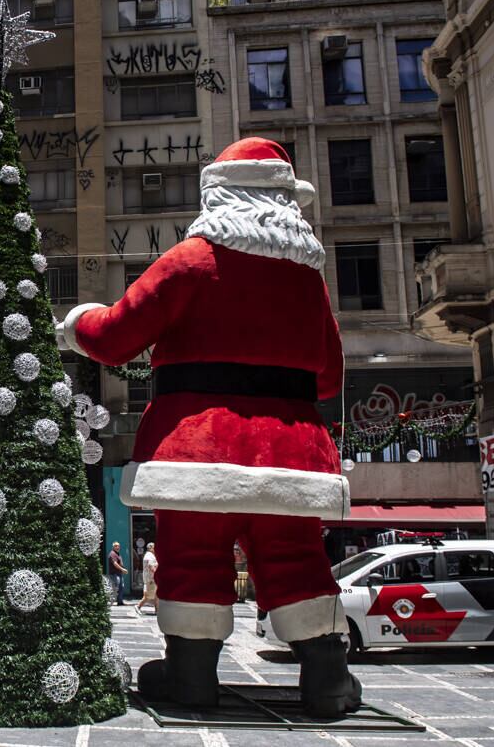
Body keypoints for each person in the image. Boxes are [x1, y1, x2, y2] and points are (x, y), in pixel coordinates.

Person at [58, 137, 360, 716]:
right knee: (297, 558)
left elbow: (116, 337)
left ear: (220, 196)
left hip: (195, 447)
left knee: (192, 555)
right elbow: (328, 377)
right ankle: (326, 679)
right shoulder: (308, 281)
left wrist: (76, 323)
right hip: (291, 453)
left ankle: (191, 679)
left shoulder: (192, 261)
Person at [136, 542, 159, 614]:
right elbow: (150, 565)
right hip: (151, 579)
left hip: (150, 579)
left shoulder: (149, 555)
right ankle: (138, 606)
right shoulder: (150, 556)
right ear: (151, 548)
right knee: (147, 596)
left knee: (156, 595)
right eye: (154, 547)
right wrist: (156, 573)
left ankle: (157, 610)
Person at [108, 542, 128, 606]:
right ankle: (112, 601)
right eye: (116, 546)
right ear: (113, 547)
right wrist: (122, 569)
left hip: (119, 573)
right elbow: (115, 563)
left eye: (118, 546)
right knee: (115, 588)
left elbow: (120, 563)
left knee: (121, 587)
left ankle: (120, 601)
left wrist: (123, 569)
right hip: (114, 574)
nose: (117, 547)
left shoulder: (117, 554)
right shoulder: (112, 554)